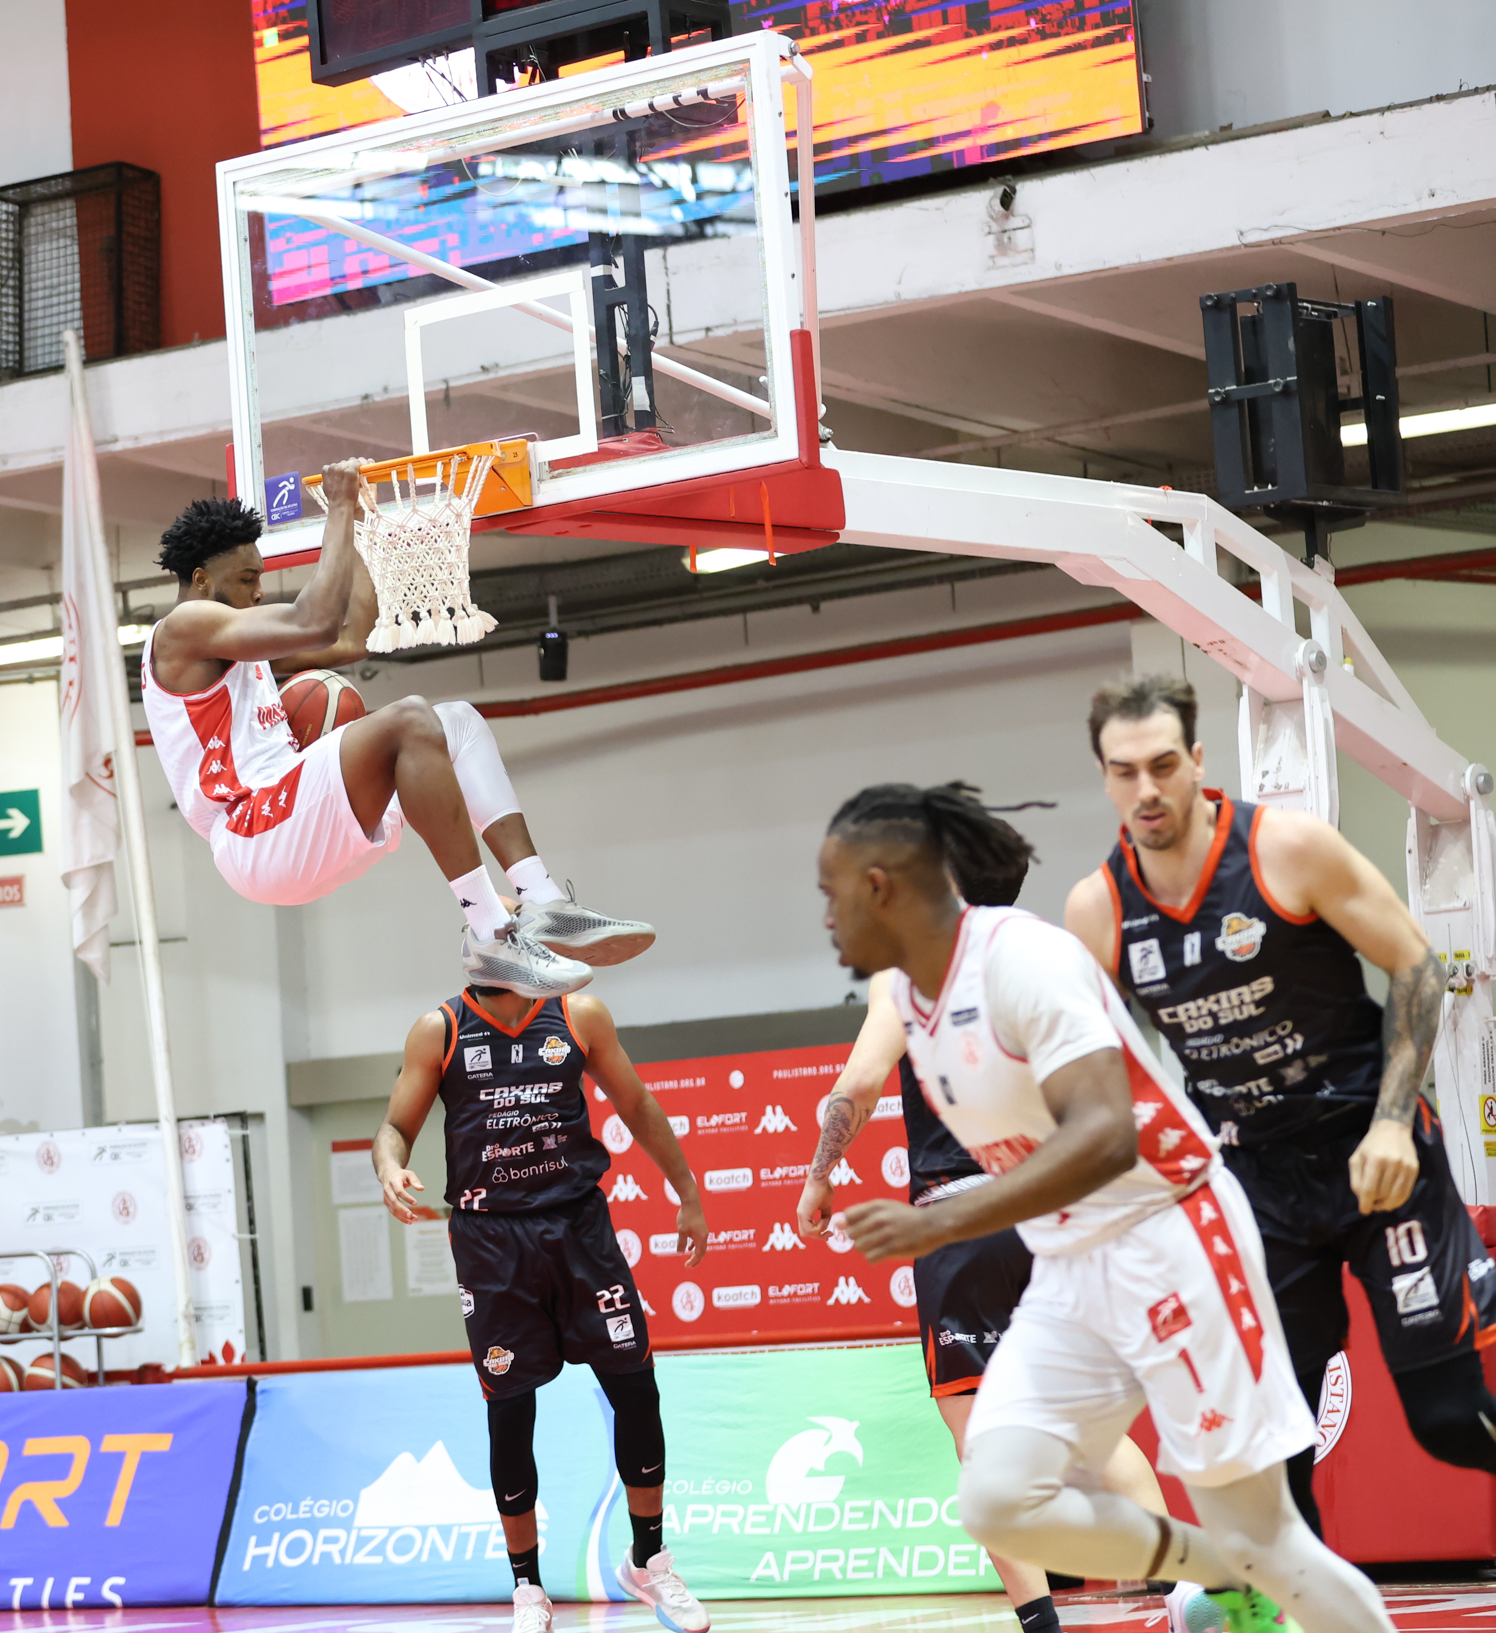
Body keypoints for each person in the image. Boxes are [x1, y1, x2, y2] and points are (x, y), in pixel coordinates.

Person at [821, 781, 1394, 1633]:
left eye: (829, 890)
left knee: (1267, 1532)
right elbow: (863, 1082)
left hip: (1170, 1234)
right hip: (1065, 1261)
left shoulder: (1025, 958)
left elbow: (1107, 1136)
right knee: (997, 1496)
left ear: (884, 885)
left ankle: (1244, 1567)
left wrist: (937, 1220)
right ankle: (1217, 1576)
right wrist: (822, 1171)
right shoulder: (906, 994)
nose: (825, 915)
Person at [1062, 674, 1496, 1531]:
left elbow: (1414, 965)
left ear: (1196, 760)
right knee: (1278, 1452)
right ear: (1104, 777)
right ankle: (1295, 1599)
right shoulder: (1097, 909)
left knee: (1447, 1419)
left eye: (1162, 765)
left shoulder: (1285, 848)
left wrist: (1391, 1121)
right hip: (1251, 1181)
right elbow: (1095, 1069)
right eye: (1123, 771)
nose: (1146, 789)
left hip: (1371, 1148)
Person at [795, 821, 1171, 1633]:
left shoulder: (909, 971)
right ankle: (1181, 1600)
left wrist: (820, 1172)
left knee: (981, 1441)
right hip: (1052, 1213)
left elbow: (857, 1082)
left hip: (961, 1218)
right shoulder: (1043, 962)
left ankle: (1040, 1624)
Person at [143, 469, 653, 997]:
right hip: (253, 830)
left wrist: (363, 524)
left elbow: (351, 638)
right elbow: (312, 622)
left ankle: (543, 900)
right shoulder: (182, 629)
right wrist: (338, 507)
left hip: (290, 826)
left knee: (457, 724)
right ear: (201, 580)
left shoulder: (232, 647)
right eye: (247, 579)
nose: (259, 590)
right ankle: (491, 933)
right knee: (410, 719)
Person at [374, 983, 711, 1633]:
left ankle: (648, 1561)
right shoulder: (439, 1029)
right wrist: (390, 1167)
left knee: (636, 1388)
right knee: (509, 1411)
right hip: (491, 1241)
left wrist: (686, 1189)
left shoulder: (577, 1014)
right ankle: (527, 1588)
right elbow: (395, 1127)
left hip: (578, 1227)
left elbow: (636, 1103)